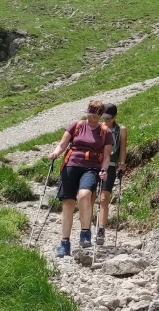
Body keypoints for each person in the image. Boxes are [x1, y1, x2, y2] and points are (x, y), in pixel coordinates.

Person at [49, 100, 114, 256]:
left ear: (100, 116)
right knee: (68, 203)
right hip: (71, 165)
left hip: (92, 167)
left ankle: (85, 233)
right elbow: (62, 144)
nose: (92, 119)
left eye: (96, 116)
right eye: (90, 115)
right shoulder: (76, 125)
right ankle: (65, 243)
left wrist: (104, 169)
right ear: (87, 112)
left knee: (84, 194)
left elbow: (106, 156)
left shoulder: (105, 132)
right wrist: (55, 153)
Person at [97, 104, 127, 245]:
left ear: (115, 116)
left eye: (109, 118)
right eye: (104, 117)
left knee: (104, 198)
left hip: (111, 165)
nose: (106, 120)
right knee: (91, 196)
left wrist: (122, 163)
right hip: (95, 163)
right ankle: (86, 229)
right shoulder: (98, 127)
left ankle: (101, 229)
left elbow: (123, 148)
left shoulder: (121, 130)